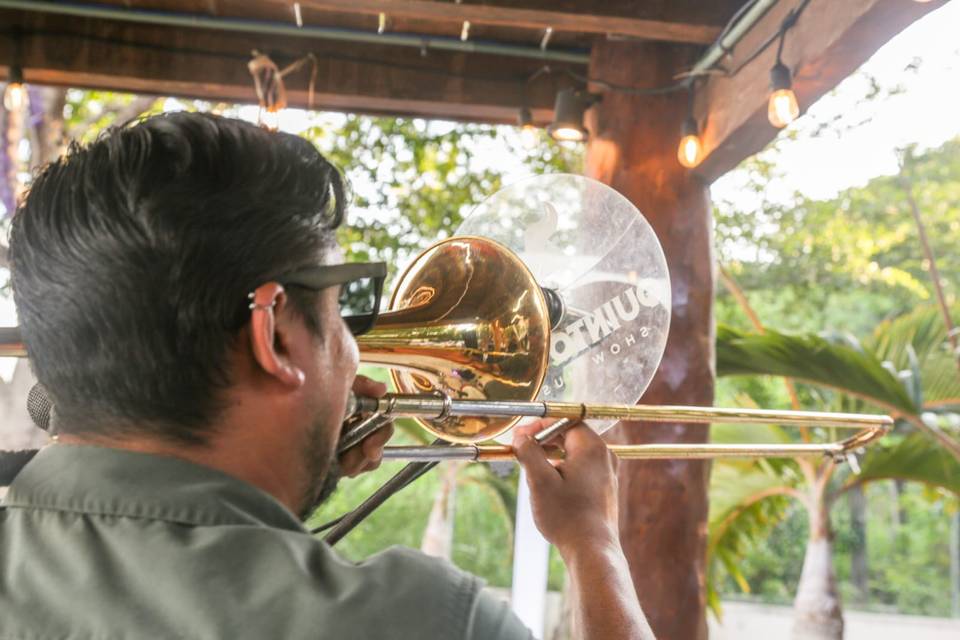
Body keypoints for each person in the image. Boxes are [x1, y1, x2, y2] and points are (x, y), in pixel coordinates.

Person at [0, 112, 654, 639]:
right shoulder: (423, 621)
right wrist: (593, 542)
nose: (354, 359)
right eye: (343, 318)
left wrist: (284, 470)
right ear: (277, 335)